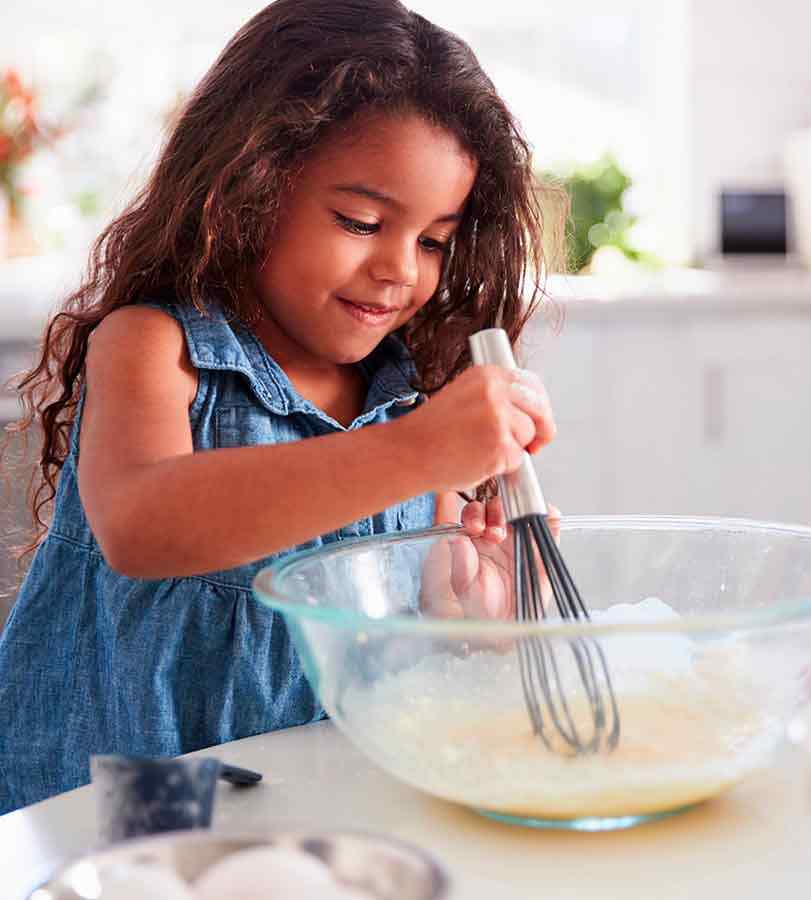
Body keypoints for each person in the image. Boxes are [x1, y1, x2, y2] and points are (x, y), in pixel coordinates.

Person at [0, 0, 558, 813]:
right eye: (361, 221)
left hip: (317, 816)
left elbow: (403, 654)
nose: (400, 269)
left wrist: (469, 617)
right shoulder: (156, 350)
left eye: (433, 240)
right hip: (119, 815)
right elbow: (144, 526)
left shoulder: (411, 409)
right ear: (248, 190)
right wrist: (422, 451)